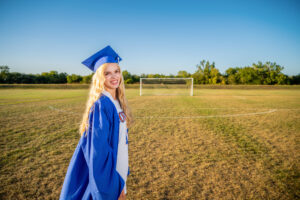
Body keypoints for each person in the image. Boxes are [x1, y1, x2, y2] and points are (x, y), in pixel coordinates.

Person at [59, 45, 133, 200]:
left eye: (116, 71)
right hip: (111, 177)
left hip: (119, 168)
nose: (114, 76)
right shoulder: (102, 105)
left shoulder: (116, 101)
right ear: (100, 77)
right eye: (107, 73)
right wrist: (113, 185)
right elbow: (99, 153)